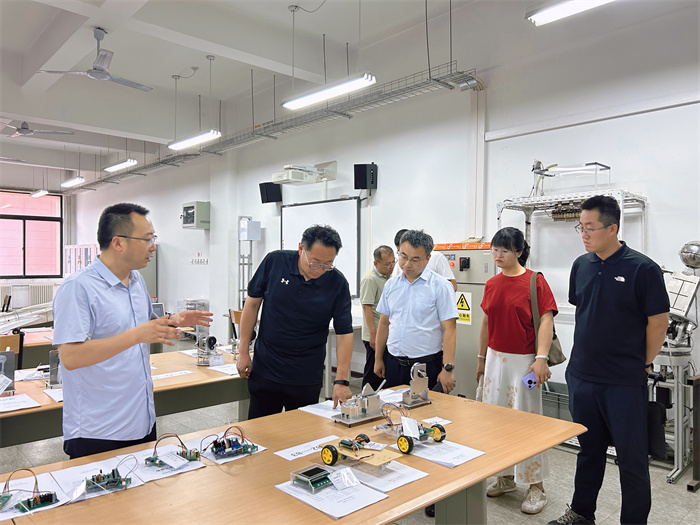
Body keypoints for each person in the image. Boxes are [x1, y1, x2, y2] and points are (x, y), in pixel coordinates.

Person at [54, 203, 213, 459]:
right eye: (147, 239)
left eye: (154, 238)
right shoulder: (78, 288)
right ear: (118, 243)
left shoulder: (136, 280)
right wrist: (137, 335)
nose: (153, 246)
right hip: (99, 429)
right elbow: (71, 357)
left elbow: (140, 323)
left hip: (141, 419)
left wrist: (172, 320)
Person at [549, 196, 669, 525]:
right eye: (581, 227)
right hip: (582, 376)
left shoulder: (643, 269)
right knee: (589, 450)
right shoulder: (581, 265)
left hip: (622, 381)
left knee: (632, 460)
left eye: (590, 228)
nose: (584, 234)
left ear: (612, 228)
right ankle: (581, 513)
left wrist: (643, 363)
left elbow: (659, 323)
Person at [477, 226, 557, 515]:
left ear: (519, 252)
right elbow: (486, 323)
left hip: (525, 363)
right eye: (495, 249)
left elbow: (546, 320)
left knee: (527, 422)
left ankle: (536, 486)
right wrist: (481, 358)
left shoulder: (534, 281)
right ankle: (506, 476)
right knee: (495, 420)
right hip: (495, 361)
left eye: (505, 250)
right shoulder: (491, 284)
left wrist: (541, 358)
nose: (498, 255)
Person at [236, 225, 353, 419]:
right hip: (266, 369)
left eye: (328, 264)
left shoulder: (337, 283)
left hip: (306, 376)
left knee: (301, 431)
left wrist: (341, 380)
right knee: (259, 431)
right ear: (301, 249)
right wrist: (243, 351)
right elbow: (252, 305)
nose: (321, 270)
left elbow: (344, 333)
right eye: (315, 263)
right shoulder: (275, 262)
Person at [374, 229, 458, 393]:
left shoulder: (441, 286)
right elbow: (384, 323)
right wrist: (378, 358)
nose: (407, 264)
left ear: (427, 259)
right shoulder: (391, 285)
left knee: (427, 409)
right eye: (403, 256)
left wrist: (447, 369)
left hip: (426, 366)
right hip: (393, 363)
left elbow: (450, 329)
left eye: (415, 260)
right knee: (393, 407)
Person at [359, 245, 395, 390]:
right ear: (376, 263)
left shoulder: (389, 278)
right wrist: (373, 334)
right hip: (373, 334)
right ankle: (366, 399)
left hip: (385, 332)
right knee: (373, 373)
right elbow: (366, 307)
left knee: (383, 373)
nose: (391, 266)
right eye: (387, 264)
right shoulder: (370, 279)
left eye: (393, 262)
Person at [392, 228, 457, 291]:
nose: (407, 265)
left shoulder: (436, 257)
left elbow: (452, 286)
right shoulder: (400, 264)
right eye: (402, 254)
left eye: (415, 260)